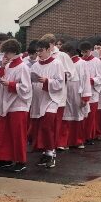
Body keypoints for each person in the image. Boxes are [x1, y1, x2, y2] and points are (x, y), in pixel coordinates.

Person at [0, 39, 32, 173]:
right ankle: (5, 159)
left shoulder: (23, 67)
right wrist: (2, 67)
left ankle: (21, 161)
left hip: (18, 105)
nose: (4, 56)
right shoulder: (7, 65)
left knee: (17, 134)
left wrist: (10, 84)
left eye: (6, 53)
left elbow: (26, 88)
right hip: (5, 103)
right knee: (4, 133)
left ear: (13, 52)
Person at [29, 40, 64, 168]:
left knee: (47, 126)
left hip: (51, 99)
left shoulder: (57, 63)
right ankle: (44, 151)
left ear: (48, 50)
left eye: (41, 51)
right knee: (39, 128)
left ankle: (51, 152)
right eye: (37, 51)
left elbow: (60, 83)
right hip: (38, 99)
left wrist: (47, 81)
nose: (39, 54)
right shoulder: (35, 65)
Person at [41, 33, 74, 150]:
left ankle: (57, 144)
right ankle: (47, 145)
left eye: (47, 45)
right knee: (46, 122)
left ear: (52, 44)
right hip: (44, 93)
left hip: (58, 93)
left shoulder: (62, 56)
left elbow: (71, 73)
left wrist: (61, 76)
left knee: (57, 121)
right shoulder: (41, 54)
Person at [61, 42, 91, 148]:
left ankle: (78, 141)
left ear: (68, 53)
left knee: (77, 117)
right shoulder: (63, 63)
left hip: (77, 94)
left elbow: (86, 80)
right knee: (65, 118)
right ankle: (66, 142)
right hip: (65, 94)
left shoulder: (81, 63)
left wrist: (85, 97)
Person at [79, 42, 101, 144]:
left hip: (93, 92)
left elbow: (100, 77)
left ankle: (89, 136)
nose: (85, 54)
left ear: (90, 51)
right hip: (82, 92)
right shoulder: (79, 61)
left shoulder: (97, 61)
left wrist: (91, 80)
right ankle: (81, 136)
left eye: (87, 52)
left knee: (91, 116)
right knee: (82, 115)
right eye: (83, 52)